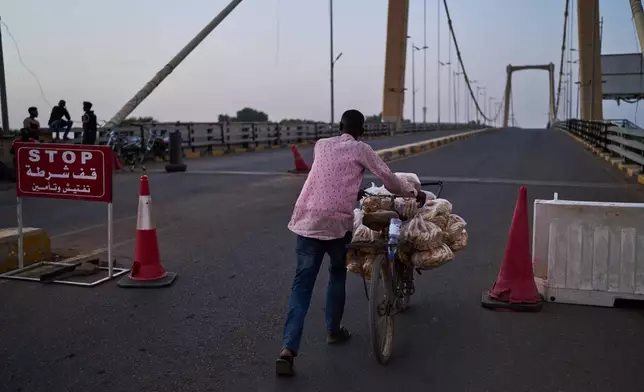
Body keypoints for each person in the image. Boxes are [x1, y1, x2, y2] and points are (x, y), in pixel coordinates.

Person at [276, 109, 425, 376]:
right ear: (362, 130)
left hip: (307, 220)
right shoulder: (362, 149)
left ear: (339, 126)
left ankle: (288, 349)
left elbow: (328, 177)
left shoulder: (321, 145)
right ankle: (333, 331)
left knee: (302, 285)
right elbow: (389, 180)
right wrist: (414, 193)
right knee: (336, 274)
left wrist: (349, 188)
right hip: (336, 223)